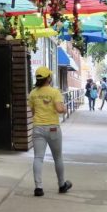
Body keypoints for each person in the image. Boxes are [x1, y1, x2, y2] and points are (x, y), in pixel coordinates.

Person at [28, 66, 72, 197]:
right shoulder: (55, 92)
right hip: (53, 128)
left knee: (38, 157)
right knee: (57, 157)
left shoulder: (33, 93)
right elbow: (59, 109)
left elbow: (33, 111)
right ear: (48, 78)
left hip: (38, 128)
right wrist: (64, 109)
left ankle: (38, 188)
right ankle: (62, 185)